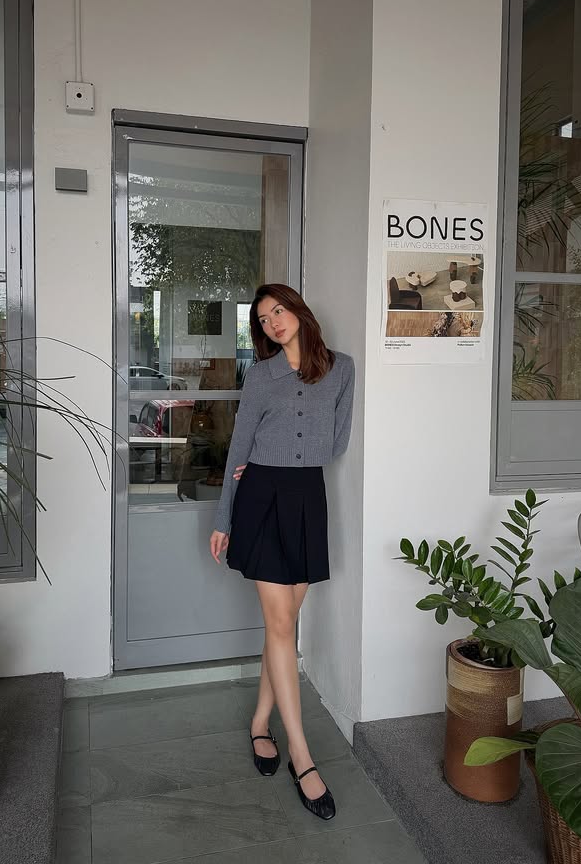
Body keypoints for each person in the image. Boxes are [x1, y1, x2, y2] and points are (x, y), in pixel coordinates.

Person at [209, 283, 355, 822]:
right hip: (261, 496)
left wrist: (294, 455)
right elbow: (239, 446)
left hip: (306, 498)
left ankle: (259, 722)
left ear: (298, 311)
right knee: (279, 625)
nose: (273, 322)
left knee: (284, 626)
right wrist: (224, 516)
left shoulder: (342, 369)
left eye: (278, 311)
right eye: (264, 319)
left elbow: (335, 443)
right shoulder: (260, 375)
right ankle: (302, 755)